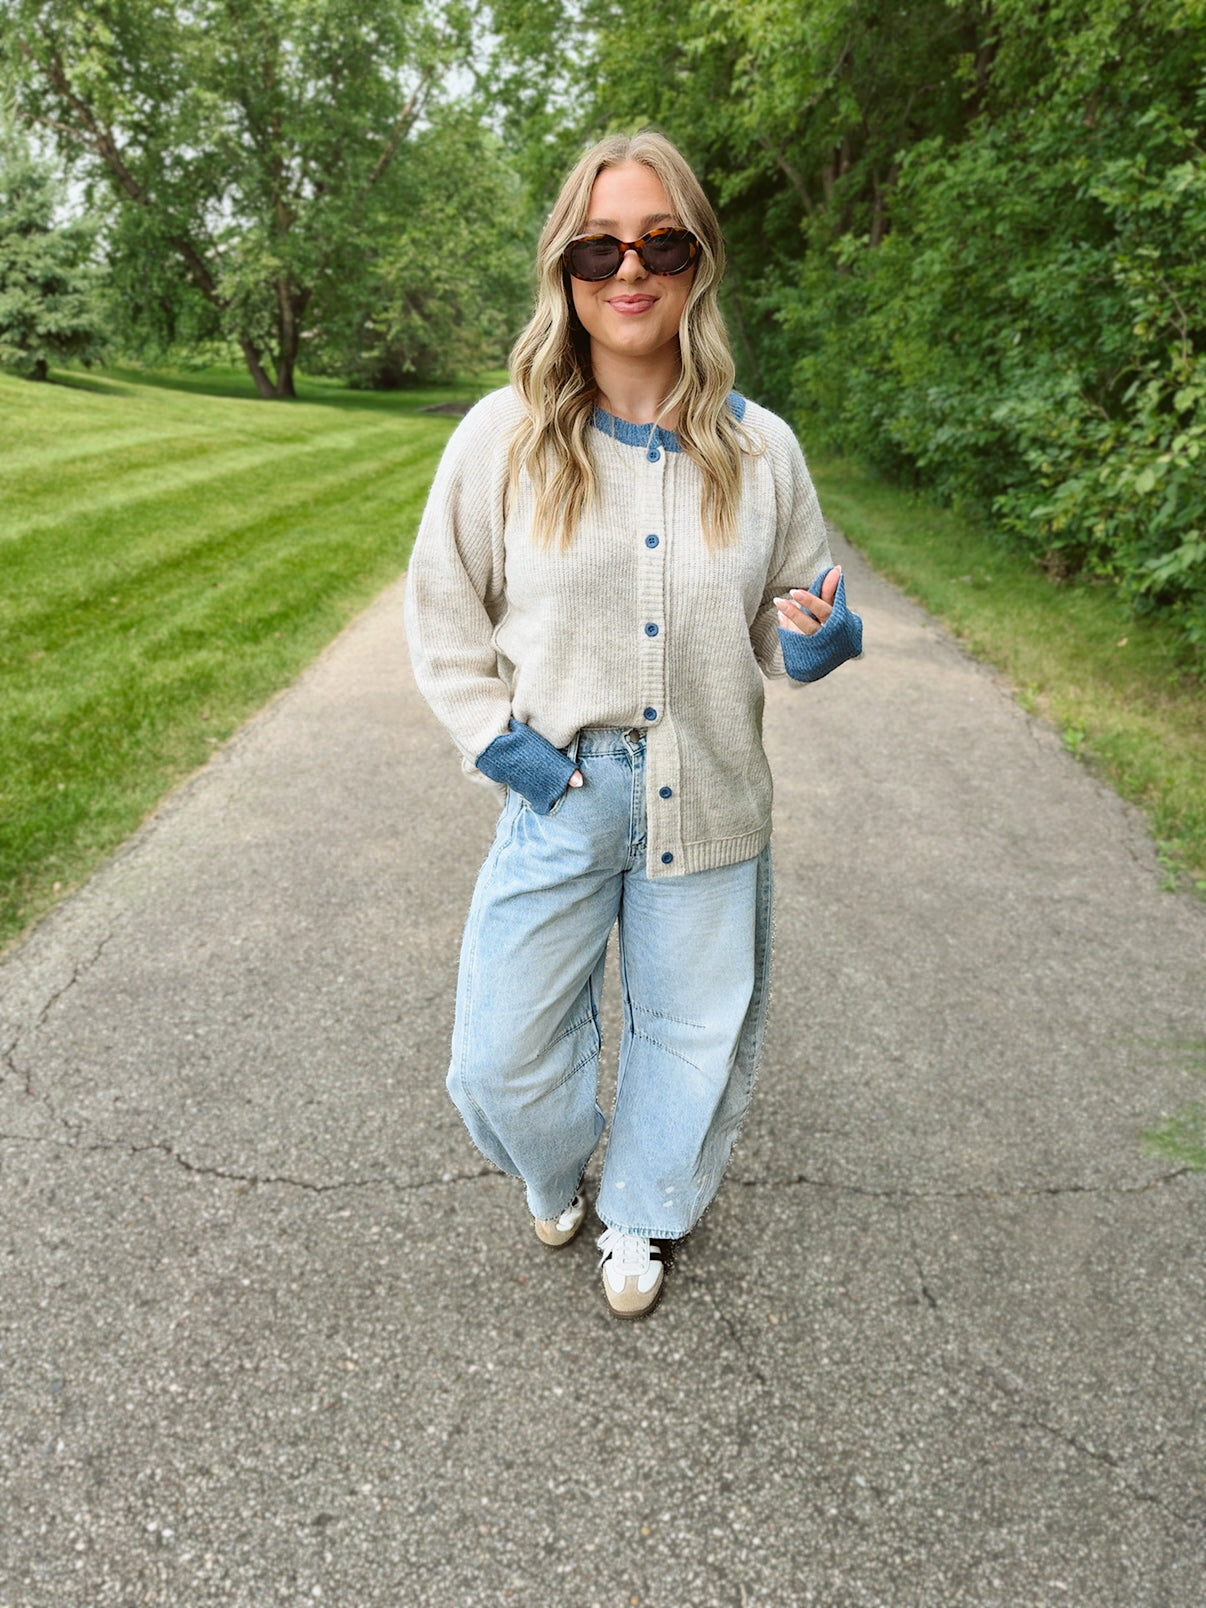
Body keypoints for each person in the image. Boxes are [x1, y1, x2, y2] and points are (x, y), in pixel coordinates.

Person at [403, 130, 862, 1318]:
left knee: (691, 1030)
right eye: (600, 244)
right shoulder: (500, 439)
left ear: (697, 260)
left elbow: (789, 621)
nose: (629, 268)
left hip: (709, 791)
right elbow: (444, 622)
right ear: (565, 266)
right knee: (497, 1056)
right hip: (561, 790)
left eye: (659, 240)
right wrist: (521, 762)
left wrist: (815, 638)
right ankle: (555, 1168)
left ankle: (643, 1215)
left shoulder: (763, 453)